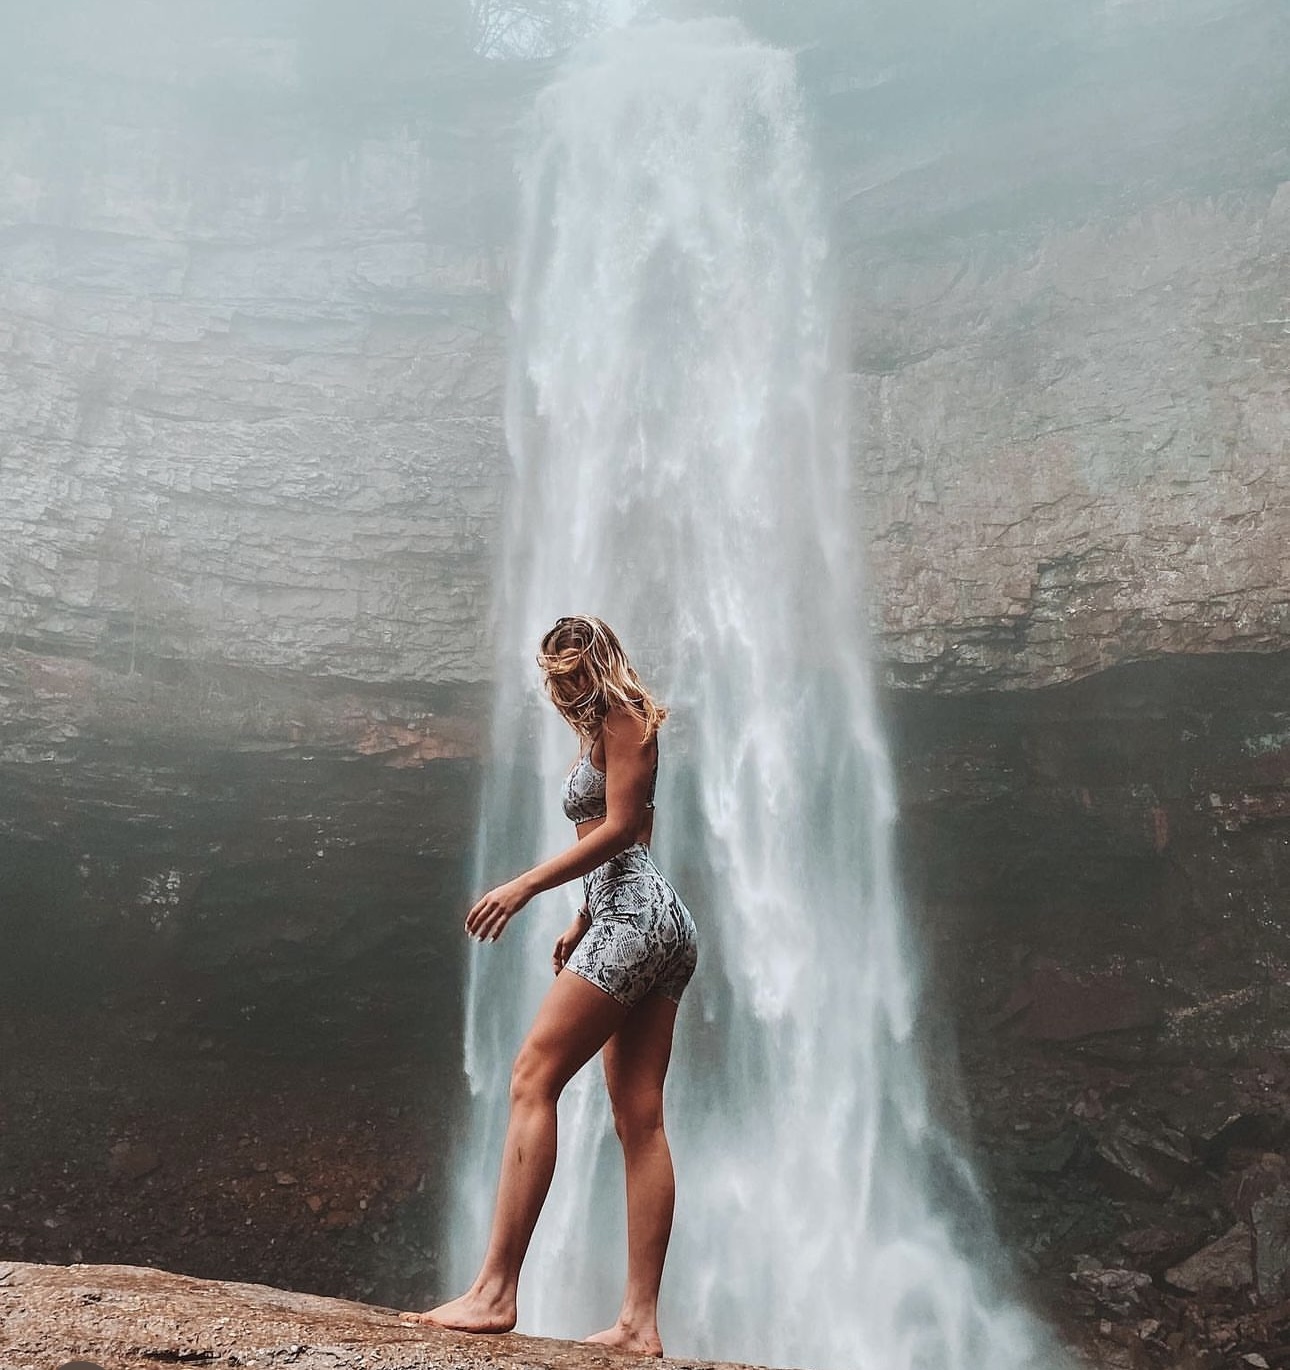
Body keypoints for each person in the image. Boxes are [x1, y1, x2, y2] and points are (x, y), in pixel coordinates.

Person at [401, 615, 698, 1357]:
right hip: (643, 919)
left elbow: (625, 826)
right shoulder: (610, 725)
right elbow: (632, 831)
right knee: (640, 1119)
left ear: (597, 662)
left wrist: (528, 885)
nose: (562, 690)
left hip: (639, 919)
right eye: (554, 677)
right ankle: (638, 1324)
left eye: (571, 674)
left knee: (533, 1075)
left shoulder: (627, 715)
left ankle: (495, 1291)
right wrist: (582, 912)